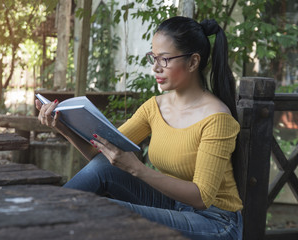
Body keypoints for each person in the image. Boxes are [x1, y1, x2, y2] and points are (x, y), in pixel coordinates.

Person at [36, 16, 243, 240]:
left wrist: (137, 169)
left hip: (214, 222)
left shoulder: (216, 118)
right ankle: (33, 221)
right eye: (153, 58)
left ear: (193, 62)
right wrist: (64, 128)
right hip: (173, 204)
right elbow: (101, 155)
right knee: (102, 169)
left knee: (101, 209)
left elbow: (201, 197)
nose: (155, 67)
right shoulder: (155, 107)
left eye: (164, 60)